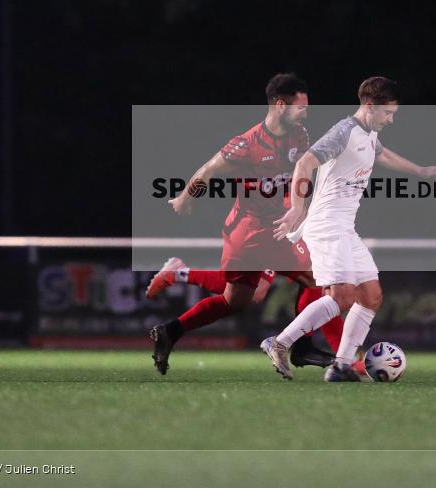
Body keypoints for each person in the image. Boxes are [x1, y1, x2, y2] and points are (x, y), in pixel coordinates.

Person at [146, 73, 342, 375]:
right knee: (318, 278)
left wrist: (298, 207)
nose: (305, 112)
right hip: (252, 232)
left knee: (234, 300)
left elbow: (302, 172)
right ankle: (307, 347)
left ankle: (170, 331)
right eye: (300, 107)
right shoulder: (247, 144)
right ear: (279, 105)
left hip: (271, 228)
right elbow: (209, 169)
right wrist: (186, 195)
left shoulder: (299, 135)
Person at [262, 76, 436, 381]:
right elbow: (305, 163)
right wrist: (297, 207)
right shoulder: (344, 131)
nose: (390, 120)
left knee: (371, 296)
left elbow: (382, 154)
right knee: (343, 295)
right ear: (370, 106)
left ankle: (341, 366)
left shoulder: (369, 134)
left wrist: (421, 171)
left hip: (345, 228)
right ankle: (280, 343)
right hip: (325, 225)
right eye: (388, 113)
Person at [147, 257, 345, 369]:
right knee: (250, 293)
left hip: (277, 227)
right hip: (265, 229)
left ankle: (315, 350)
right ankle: (341, 357)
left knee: (317, 277)